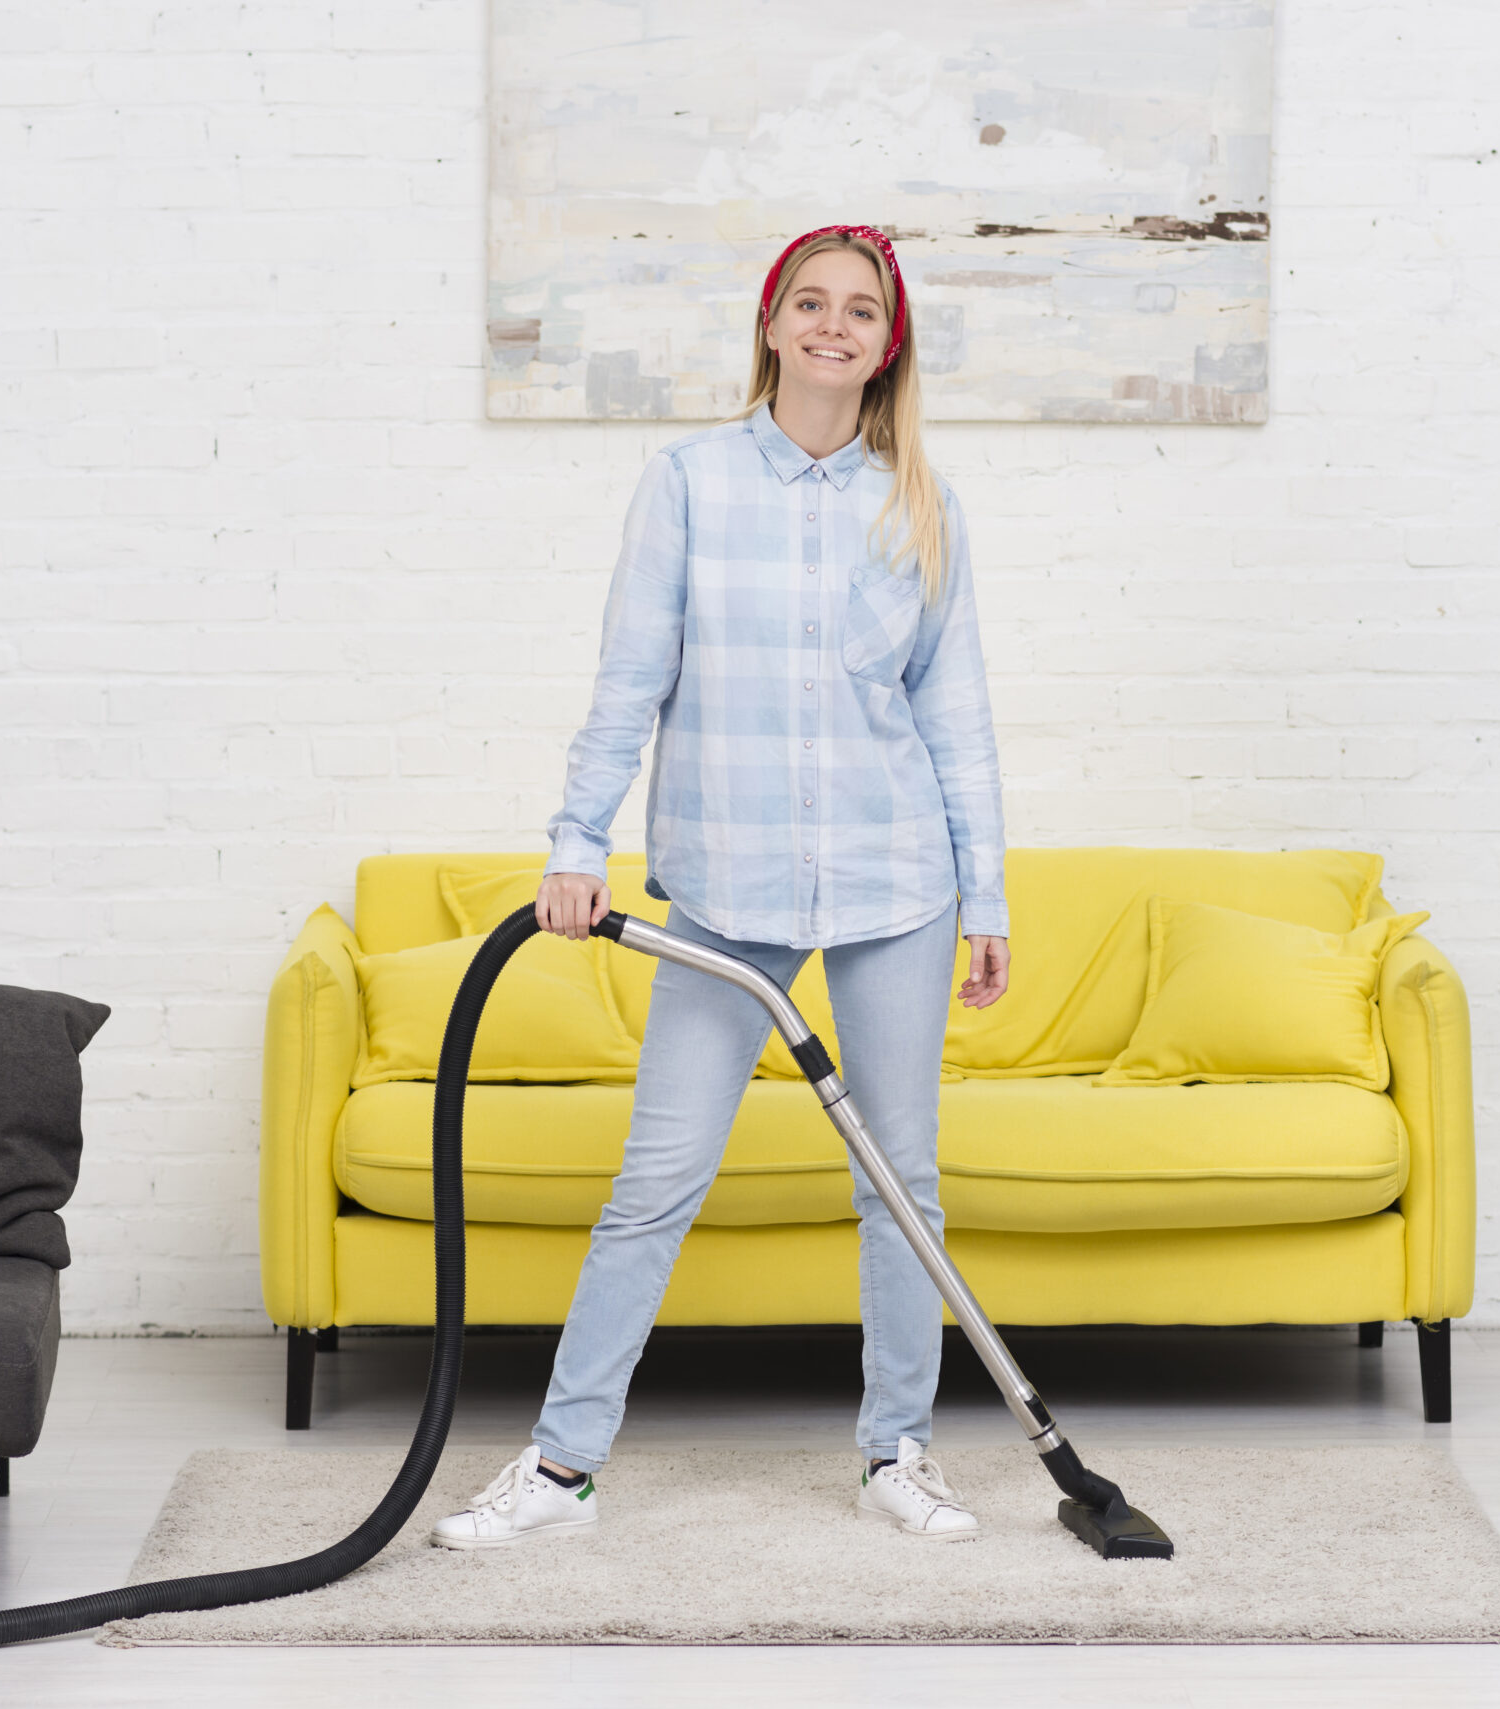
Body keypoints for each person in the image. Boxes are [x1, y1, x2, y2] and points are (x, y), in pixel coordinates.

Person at [430, 226, 1010, 1549]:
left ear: (889, 340)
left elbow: (957, 717)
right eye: (809, 303)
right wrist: (577, 842)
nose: (832, 325)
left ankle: (897, 1450)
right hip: (727, 894)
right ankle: (563, 1465)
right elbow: (629, 678)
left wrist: (987, 897)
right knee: (657, 1180)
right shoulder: (689, 482)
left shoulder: (920, 501)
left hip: (894, 884)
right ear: (771, 325)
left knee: (901, 1184)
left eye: (860, 310)